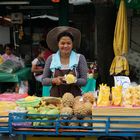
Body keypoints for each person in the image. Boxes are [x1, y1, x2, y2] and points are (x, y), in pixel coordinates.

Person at [42, 26, 88, 97]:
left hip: (75, 99)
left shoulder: (80, 58)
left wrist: (74, 80)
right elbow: (44, 80)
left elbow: (84, 81)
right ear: (58, 44)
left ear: (72, 44)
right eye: (62, 43)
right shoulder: (51, 59)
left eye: (68, 43)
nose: (65, 46)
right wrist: (54, 80)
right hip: (55, 99)